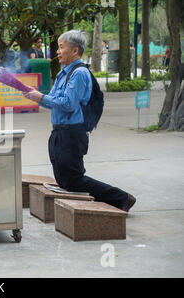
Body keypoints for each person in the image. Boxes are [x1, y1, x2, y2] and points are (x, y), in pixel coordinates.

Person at [23, 30, 136, 212]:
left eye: (61, 47)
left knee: (74, 179)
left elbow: (68, 104)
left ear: (75, 51)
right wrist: (36, 96)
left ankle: (122, 198)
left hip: (72, 133)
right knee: (63, 179)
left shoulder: (79, 73)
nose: (58, 51)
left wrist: (41, 97)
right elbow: (54, 102)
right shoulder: (63, 74)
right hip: (59, 131)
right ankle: (104, 202)